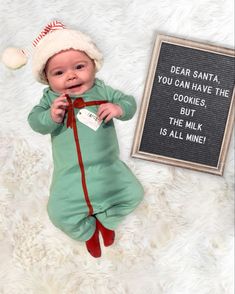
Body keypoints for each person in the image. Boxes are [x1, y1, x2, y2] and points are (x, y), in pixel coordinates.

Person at [2, 21, 144, 258]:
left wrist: (119, 108)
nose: (71, 76)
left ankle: (107, 220)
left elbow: (129, 102)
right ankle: (87, 231)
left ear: (93, 66)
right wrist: (50, 116)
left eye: (79, 66)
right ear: (47, 79)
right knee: (57, 213)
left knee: (134, 194)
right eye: (59, 72)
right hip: (69, 175)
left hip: (107, 169)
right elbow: (34, 121)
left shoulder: (102, 91)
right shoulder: (50, 100)